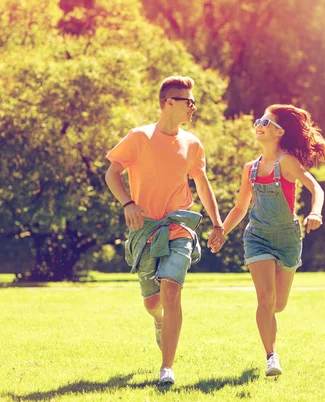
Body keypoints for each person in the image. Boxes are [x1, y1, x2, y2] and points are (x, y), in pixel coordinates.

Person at [105, 76, 225, 385]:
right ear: (169, 102)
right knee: (152, 302)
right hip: (144, 229)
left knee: (171, 289)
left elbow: (201, 183)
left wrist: (217, 222)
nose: (193, 108)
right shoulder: (139, 137)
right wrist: (128, 203)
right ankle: (158, 321)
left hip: (178, 227)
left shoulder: (192, 143)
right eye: (189, 102)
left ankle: (167, 368)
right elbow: (112, 173)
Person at [210, 104, 325, 376]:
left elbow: (316, 188)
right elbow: (241, 208)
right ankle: (271, 357)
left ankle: (271, 345)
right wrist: (221, 230)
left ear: (279, 132)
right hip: (257, 236)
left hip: (288, 238)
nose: (258, 125)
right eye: (258, 120)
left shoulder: (287, 162)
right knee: (265, 300)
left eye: (265, 122)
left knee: (278, 304)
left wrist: (315, 212)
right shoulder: (250, 169)